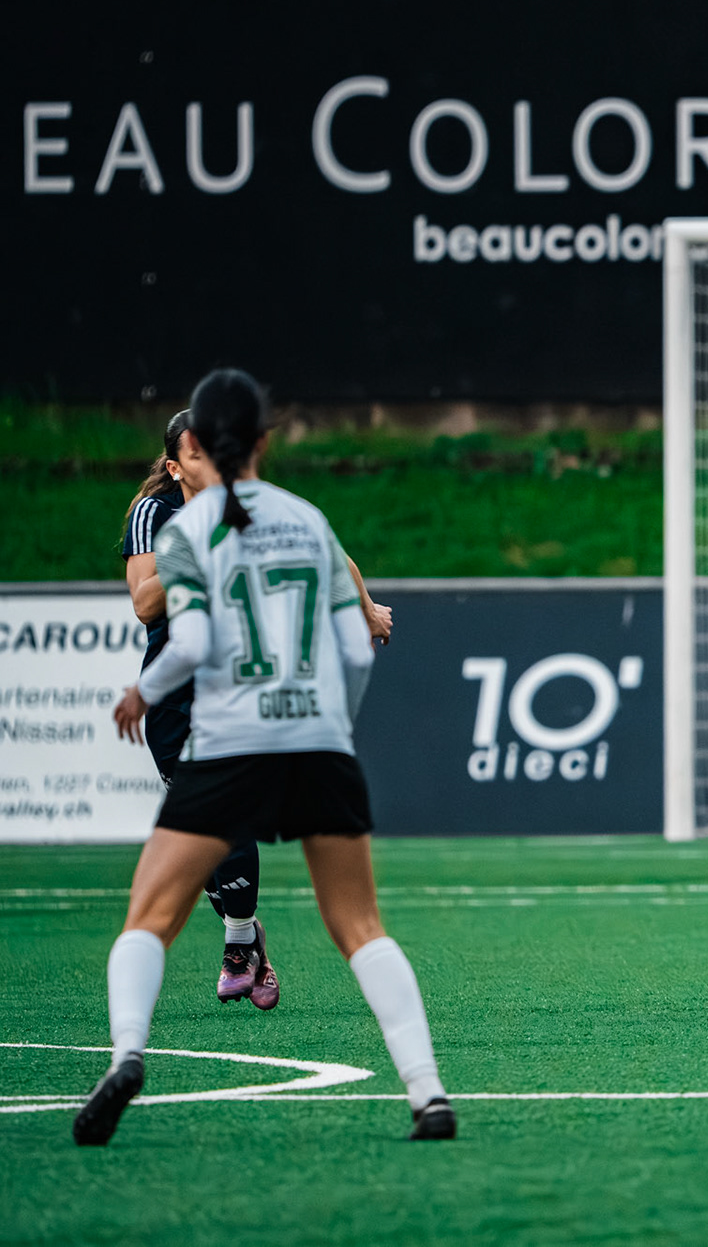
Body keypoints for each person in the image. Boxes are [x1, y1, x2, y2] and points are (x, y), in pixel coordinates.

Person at [76, 369, 452, 1145]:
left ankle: (127, 1057)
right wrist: (333, 722)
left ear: (194, 445)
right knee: (361, 926)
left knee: (149, 917)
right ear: (265, 440)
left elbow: (192, 642)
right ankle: (428, 1093)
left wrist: (144, 692)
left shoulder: (186, 531)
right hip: (317, 741)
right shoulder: (307, 519)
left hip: (229, 742)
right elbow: (354, 640)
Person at [122, 411, 395, 1009]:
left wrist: (366, 606)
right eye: (197, 453)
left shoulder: (254, 504)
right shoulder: (156, 514)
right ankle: (246, 944)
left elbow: (327, 549)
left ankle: (237, 940)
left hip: (236, 691)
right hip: (174, 698)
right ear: (175, 467)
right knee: (199, 837)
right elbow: (145, 604)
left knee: (232, 821)